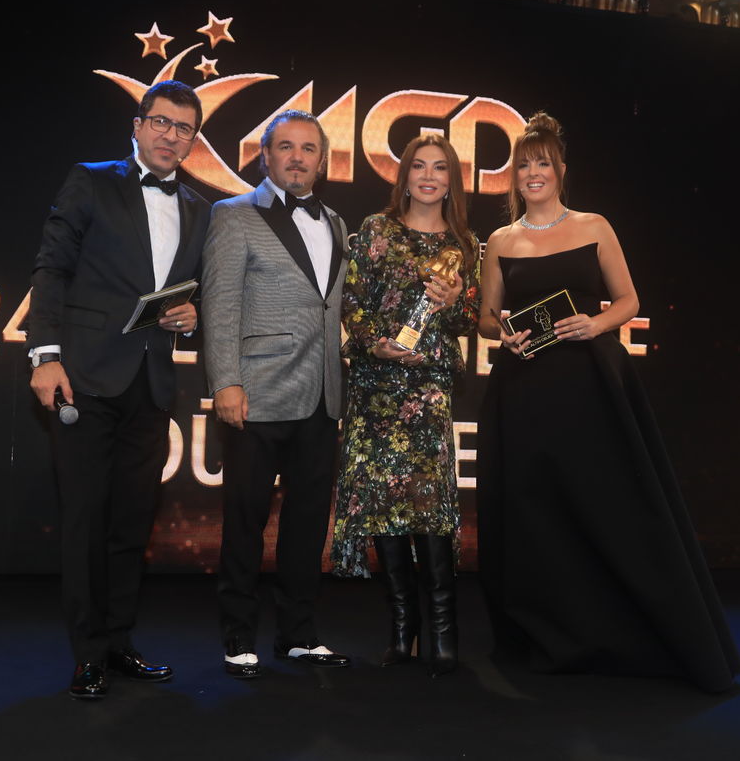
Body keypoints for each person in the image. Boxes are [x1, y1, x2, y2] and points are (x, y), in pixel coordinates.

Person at [476, 112, 740, 693]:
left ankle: (622, 629)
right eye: (524, 166)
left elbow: (628, 300)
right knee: (535, 513)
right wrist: (505, 334)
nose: (533, 173)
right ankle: (548, 633)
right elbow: (487, 319)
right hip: (523, 391)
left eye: (543, 163)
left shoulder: (594, 226)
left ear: (560, 170)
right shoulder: (500, 241)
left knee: (599, 505)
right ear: (513, 176)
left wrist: (594, 325)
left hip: (587, 385)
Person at [27, 80, 210, 700]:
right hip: (82, 377)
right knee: (85, 521)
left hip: (151, 384)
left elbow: (193, 294)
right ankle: (86, 655)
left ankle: (118, 641)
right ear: (138, 125)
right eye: (161, 122)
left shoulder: (200, 208)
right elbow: (52, 268)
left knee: (132, 522)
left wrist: (191, 315)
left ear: (192, 140)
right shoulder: (90, 180)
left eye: (183, 128)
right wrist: (46, 356)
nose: (170, 135)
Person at [202, 110, 352, 678]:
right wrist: (226, 381)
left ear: (322, 160)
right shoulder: (234, 214)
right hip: (256, 392)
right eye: (285, 146)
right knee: (245, 521)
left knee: (308, 524)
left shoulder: (336, 222)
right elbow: (220, 305)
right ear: (265, 155)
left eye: (308, 148)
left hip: (321, 395)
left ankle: (298, 635)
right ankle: (238, 636)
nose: (297, 157)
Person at [331, 134, 479, 677]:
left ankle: (442, 633)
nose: (429, 176)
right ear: (405, 176)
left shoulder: (465, 243)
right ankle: (402, 631)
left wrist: (455, 299)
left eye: (440, 168)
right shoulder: (376, 229)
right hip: (376, 386)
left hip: (428, 391)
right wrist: (375, 344)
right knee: (385, 504)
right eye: (419, 166)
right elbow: (351, 301)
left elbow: (469, 321)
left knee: (430, 505)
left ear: (452, 181)